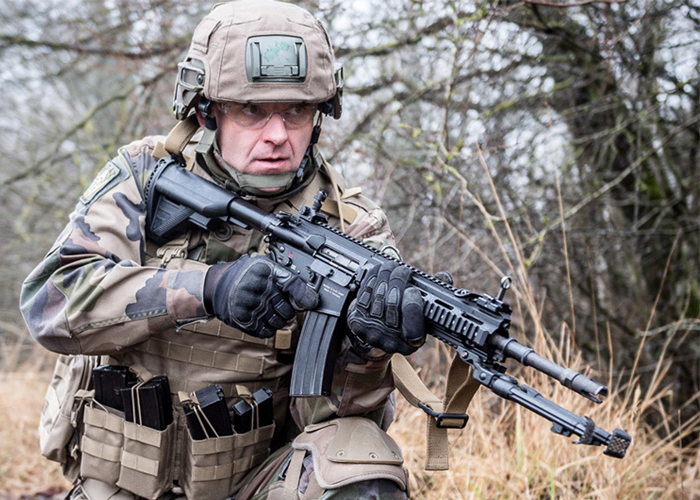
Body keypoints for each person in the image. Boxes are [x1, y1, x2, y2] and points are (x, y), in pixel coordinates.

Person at [20, 1, 426, 499]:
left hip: (264, 482)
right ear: (206, 109)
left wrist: (370, 349)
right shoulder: (147, 177)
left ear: (319, 115)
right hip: (127, 481)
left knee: (365, 481)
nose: (277, 136)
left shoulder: (354, 229)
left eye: (296, 110)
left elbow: (338, 430)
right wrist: (204, 288)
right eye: (252, 110)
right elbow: (49, 303)